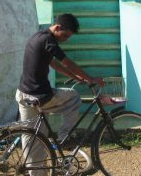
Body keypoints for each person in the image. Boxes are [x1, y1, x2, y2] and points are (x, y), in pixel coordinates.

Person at [15, 13, 104, 176]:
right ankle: (64, 137)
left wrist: (74, 76)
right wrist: (90, 78)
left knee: (33, 138)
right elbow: (66, 62)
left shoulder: (38, 36)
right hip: (40, 96)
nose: (65, 39)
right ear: (57, 28)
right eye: (64, 35)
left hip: (23, 94)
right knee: (74, 96)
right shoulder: (49, 40)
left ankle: (36, 173)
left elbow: (53, 63)